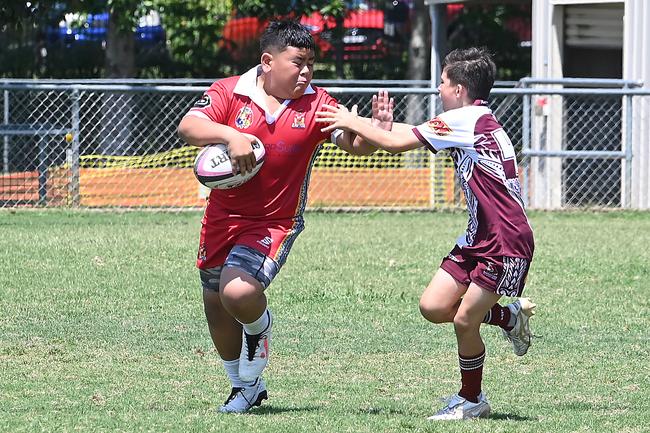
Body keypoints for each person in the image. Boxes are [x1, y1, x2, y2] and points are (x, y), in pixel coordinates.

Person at [177, 20, 386, 414]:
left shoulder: (317, 102)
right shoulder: (229, 91)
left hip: (274, 222)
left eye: (312, 64)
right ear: (268, 61)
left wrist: (371, 132)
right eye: (299, 63)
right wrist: (230, 135)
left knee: (237, 292)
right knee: (215, 302)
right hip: (222, 218)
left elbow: (352, 144)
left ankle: (260, 329)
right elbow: (189, 126)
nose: (306, 72)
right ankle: (245, 387)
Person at [316, 47, 536, 420]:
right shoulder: (470, 118)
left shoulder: (468, 119)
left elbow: (394, 144)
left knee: (465, 320)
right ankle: (507, 318)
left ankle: (472, 400)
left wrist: (348, 121)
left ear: (460, 89)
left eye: (444, 82)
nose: (438, 89)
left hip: (505, 241)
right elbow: (403, 134)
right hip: (478, 236)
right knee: (434, 307)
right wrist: (378, 125)